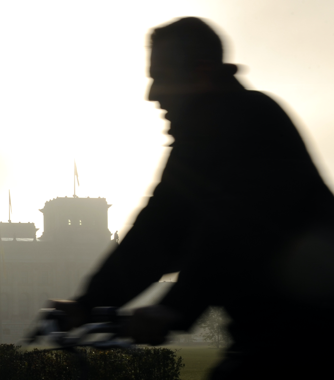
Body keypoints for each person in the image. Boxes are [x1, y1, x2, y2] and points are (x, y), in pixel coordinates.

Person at [51, 17, 334, 379]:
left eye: (162, 76)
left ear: (201, 73)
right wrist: (88, 303)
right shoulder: (198, 143)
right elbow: (157, 231)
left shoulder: (255, 120)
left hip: (310, 333)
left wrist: (175, 307)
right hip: (275, 334)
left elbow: (234, 231)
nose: (151, 94)